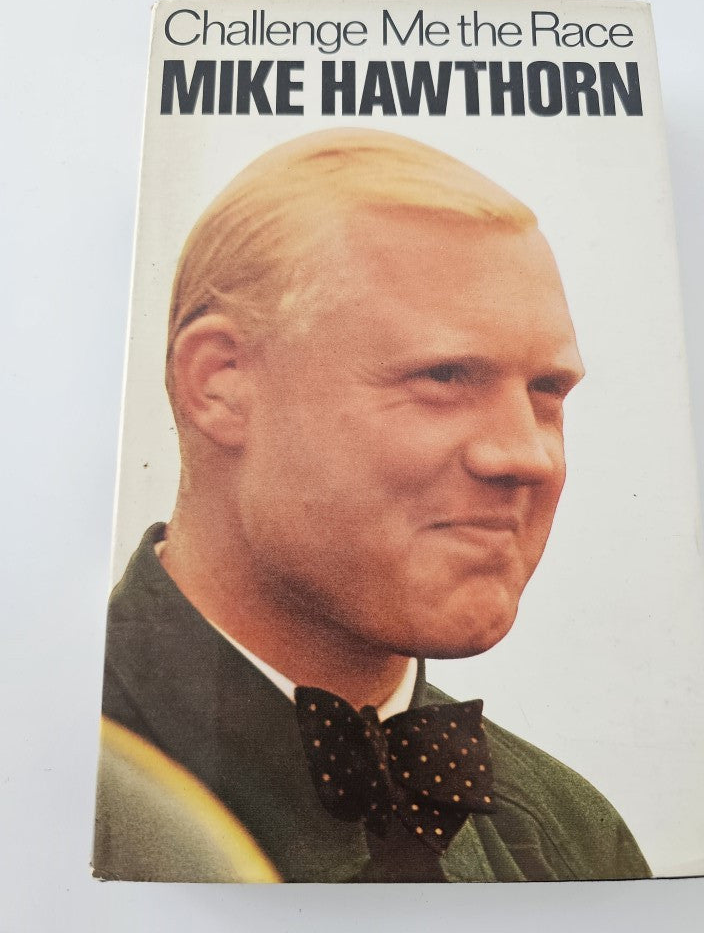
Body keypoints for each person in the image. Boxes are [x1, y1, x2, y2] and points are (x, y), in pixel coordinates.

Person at [96, 128, 651, 882]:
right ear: (220, 383)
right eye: (444, 376)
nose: (528, 456)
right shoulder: (51, 771)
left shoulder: (574, 838)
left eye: (547, 391)